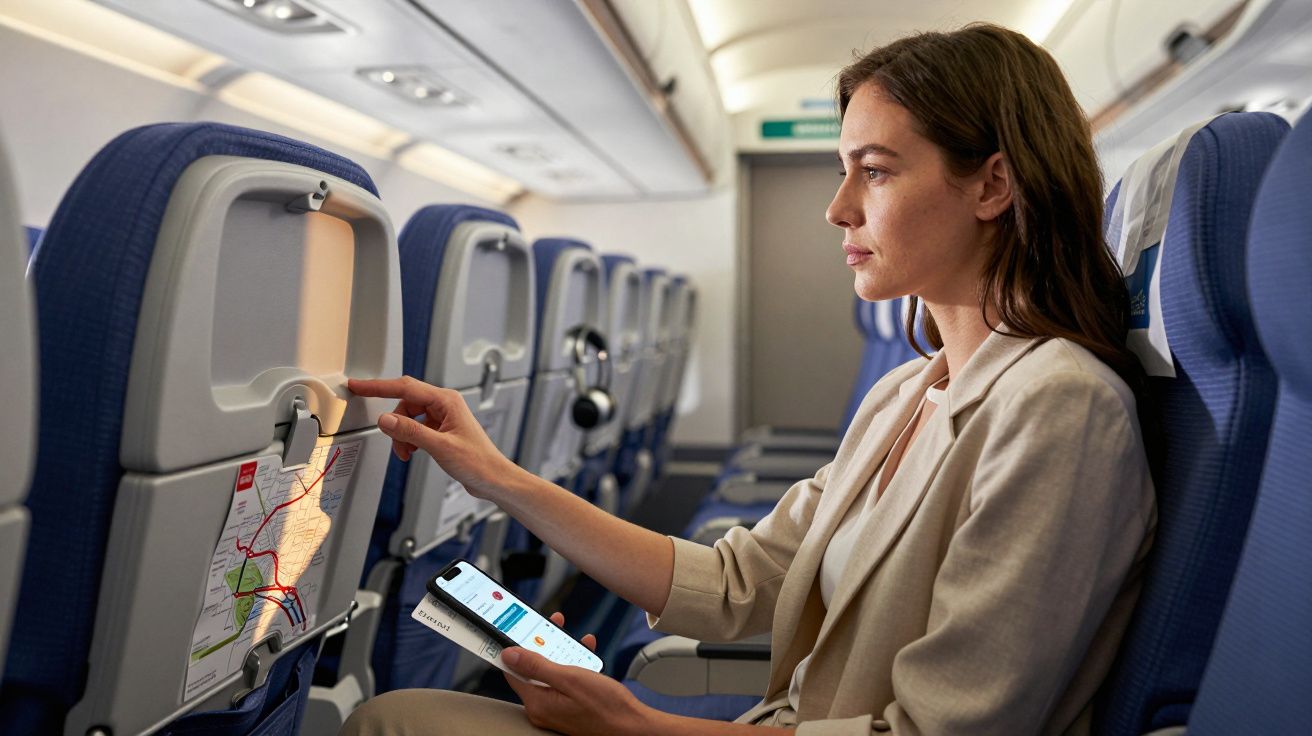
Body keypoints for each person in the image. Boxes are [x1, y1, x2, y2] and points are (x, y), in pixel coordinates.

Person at [341, 23, 1155, 736]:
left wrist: (637, 726)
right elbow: (738, 583)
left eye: (873, 171)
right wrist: (495, 477)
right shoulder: (907, 393)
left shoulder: (1060, 408)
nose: (838, 208)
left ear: (992, 185)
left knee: (390, 719)